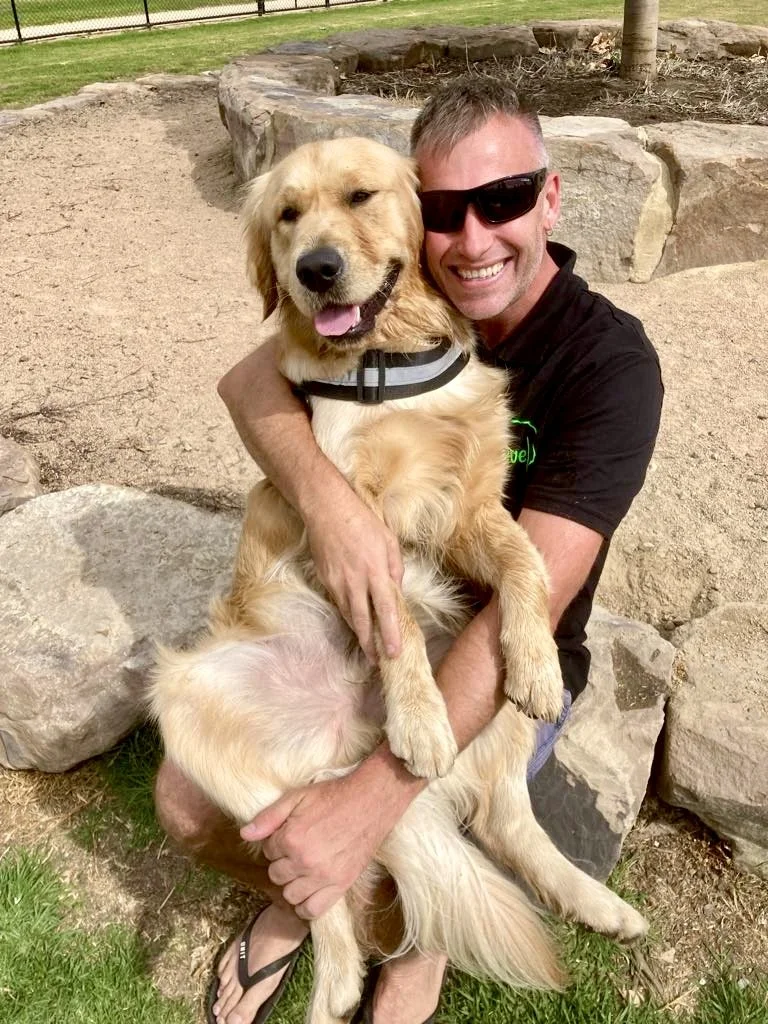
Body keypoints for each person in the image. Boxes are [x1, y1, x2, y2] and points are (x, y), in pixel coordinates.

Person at [154, 78, 663, 1024]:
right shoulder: (375, 312)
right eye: (448, 210)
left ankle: (398, 929)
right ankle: (351, 903)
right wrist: (332, 504)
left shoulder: (609, 365)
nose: (473, 239)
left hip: (491, 652)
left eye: (505, 200)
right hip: (360, 629)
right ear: (419, 218)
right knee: (188, 803)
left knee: (376, 811)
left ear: (551, 196)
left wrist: (374, 793)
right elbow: (246, 383)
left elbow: (535, 586)